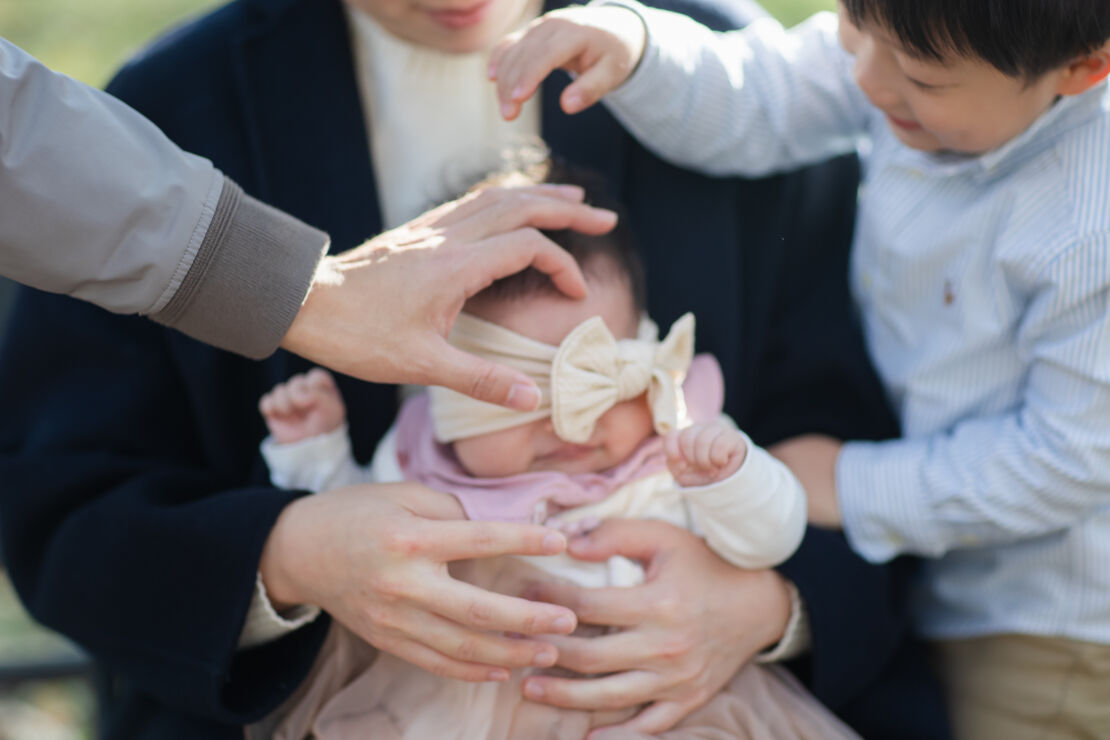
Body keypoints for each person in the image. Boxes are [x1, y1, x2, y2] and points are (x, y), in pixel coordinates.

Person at [0, 1, 949, 738]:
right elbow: (67, 502)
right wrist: (292, 555)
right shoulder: (168, 112)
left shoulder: (734, 77)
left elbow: (896, 435)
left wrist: (770, 604)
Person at [491, 0, 1110, 737]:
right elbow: (757, 97)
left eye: (922, 80)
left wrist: (848, 482)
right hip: (942, 573)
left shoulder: (1086, 219)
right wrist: (640, 48)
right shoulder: (902, 42)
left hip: (1040, 625)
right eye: (852, 27)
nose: (867, 80)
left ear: (1082, 69)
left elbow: (1072, 458)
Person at [251, 162, 859, 739]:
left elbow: (774, 539)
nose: (570, 431)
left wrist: (735, 477)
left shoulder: (677, 446)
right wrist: (317, 453)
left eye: (600, 392)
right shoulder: (418, 463)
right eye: (519, 403)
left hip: (649, 707)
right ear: (446, 386)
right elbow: (358, 543)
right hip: (446, 706)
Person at [0, 37, 613, 409]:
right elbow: (65, 473)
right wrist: (282, 558)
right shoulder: (170, 97)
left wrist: (713, 601)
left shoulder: (690, 75)